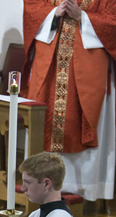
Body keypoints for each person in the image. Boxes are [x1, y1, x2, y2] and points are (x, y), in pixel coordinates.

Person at [23, 0, 116, 202]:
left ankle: (84, 187)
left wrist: (83, 17)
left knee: (85, 114)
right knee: (43, 118)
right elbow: (31, 7)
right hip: (49, 61)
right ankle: (40, 184)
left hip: (89, 62)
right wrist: (53, 13)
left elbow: (113, 20)